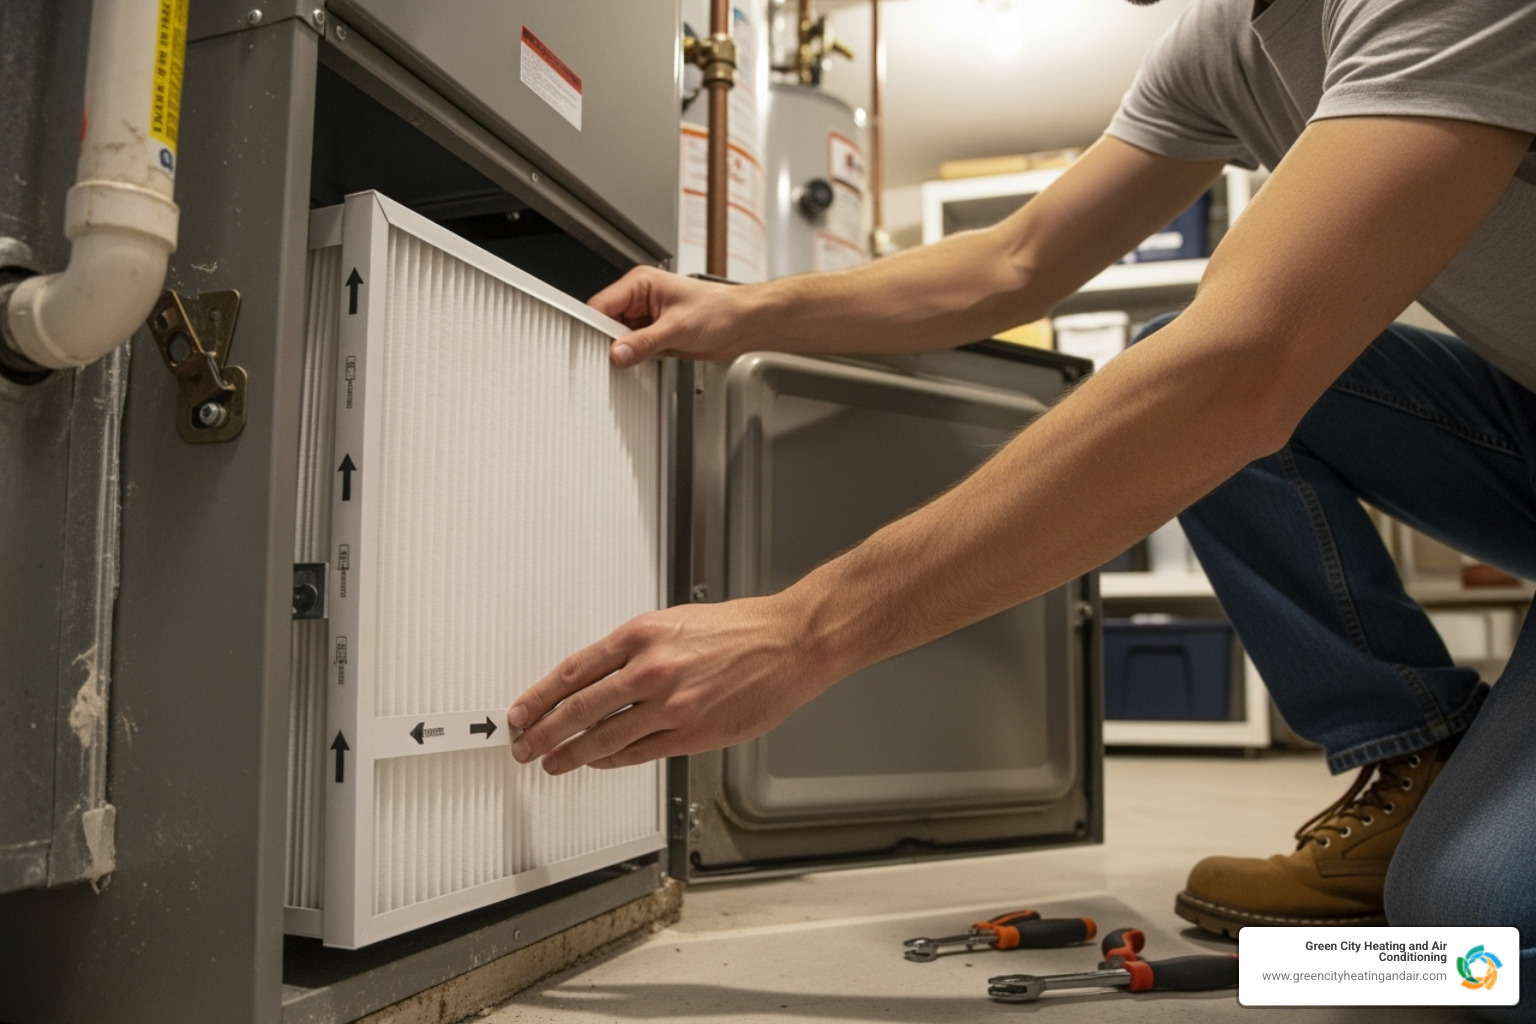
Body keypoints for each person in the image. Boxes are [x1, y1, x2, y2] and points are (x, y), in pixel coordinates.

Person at [508, 0, 1535, 1016]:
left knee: (1479, 925)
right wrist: (748, 309)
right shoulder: (1226, 42)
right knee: (1175, 360)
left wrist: (802, 629)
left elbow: (1247, 363)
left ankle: (1387, 933)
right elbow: (1019, 259)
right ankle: (1414, 755)